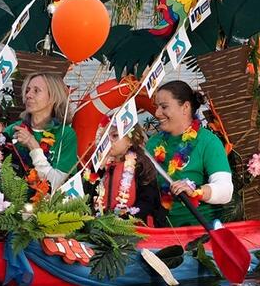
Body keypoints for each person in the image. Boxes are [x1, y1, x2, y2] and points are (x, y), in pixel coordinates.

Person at [145, 80, 233, 227]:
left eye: (164, 107)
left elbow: (226, 191)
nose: (157, 113)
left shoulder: (208, 141)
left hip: (200, 231)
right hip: (160, 230)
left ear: (185, 107)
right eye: (157, 107)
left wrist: (196, 192)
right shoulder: (153, 143)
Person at [5, 73, 79, 200]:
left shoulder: (66, 135)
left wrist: (33, 146)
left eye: (36, 91)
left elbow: (56, 183)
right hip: (13, 204)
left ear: (53, 97)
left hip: (48, 208)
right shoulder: (13, 130)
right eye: (27, 90)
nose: (28, 95)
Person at [93, 123, 166, 226]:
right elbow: (89, 195)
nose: (108, 141)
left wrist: (125, 219)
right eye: (105, 137)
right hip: (102, 226)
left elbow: (148, 201)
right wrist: (97, 168)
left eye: (114, 135)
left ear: (130, 141)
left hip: (134, 228)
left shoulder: (141, 164)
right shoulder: (101, 166)